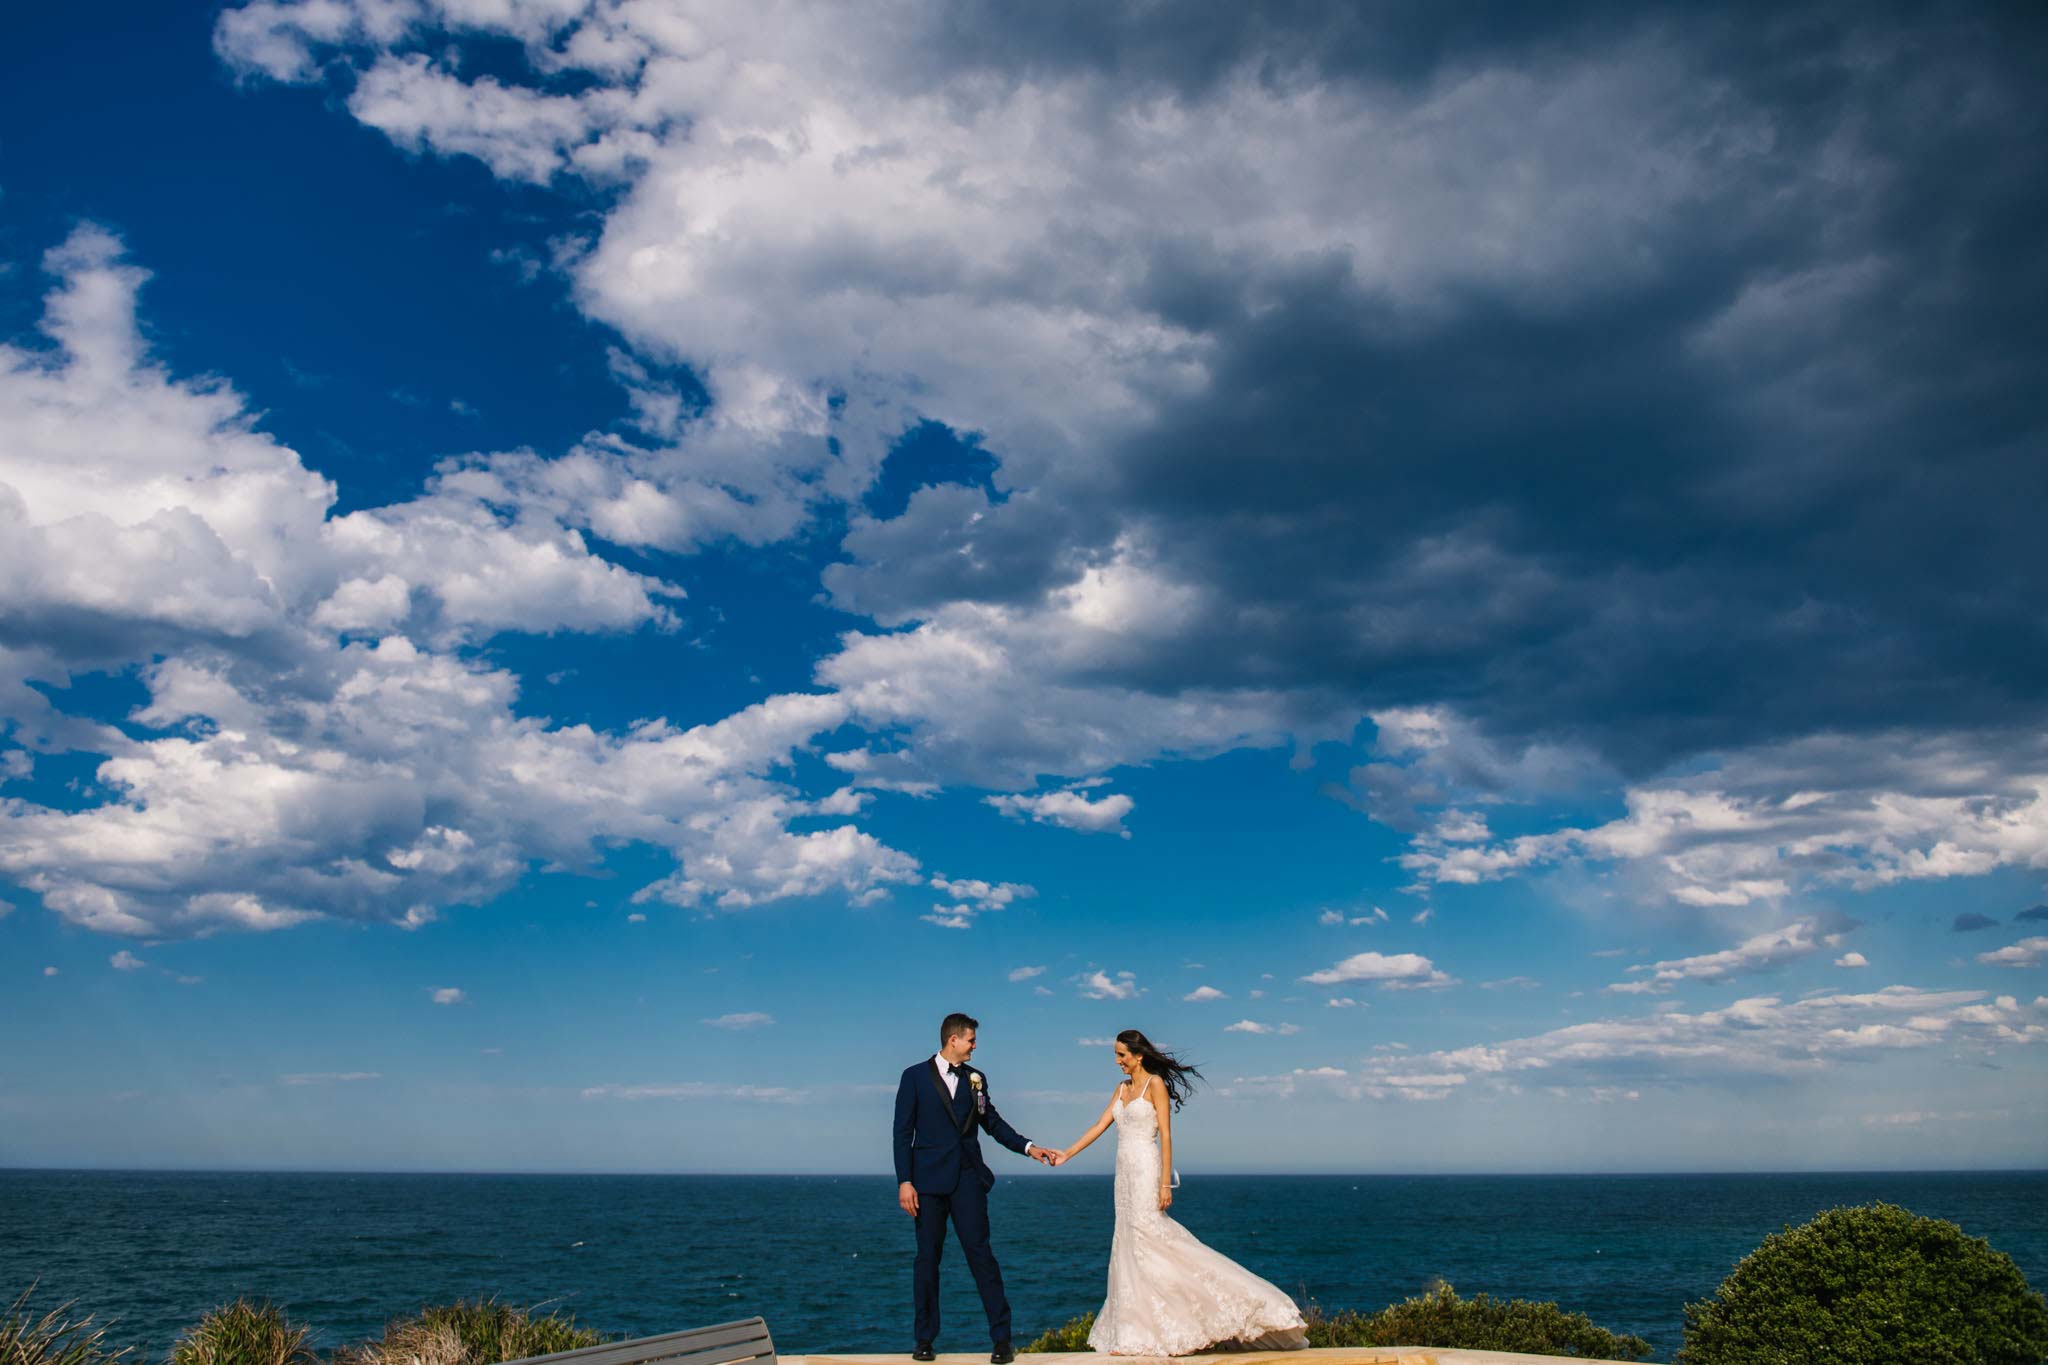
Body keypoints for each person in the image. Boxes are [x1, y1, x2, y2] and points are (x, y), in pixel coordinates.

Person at [1049, 1028, 1309, 1356]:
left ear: (1138, 1055)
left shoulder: (1155, 1084)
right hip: (1123, 1175)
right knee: (1129, 1242)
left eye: (1122, 1055)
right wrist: (1067, 1153)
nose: (1117, 1062)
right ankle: (1135, 1330)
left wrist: (1164, 1183)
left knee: (1152, 1236)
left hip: (1146, 1168)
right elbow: (1100, 1125)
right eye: (1116, 1056)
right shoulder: (1121, 1089)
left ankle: (1239, 1304)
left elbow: (1167, 1136)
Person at [893, 1012, 1058, 1364]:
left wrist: (1030, 1147)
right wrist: (905, 1181)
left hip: (968, 1180)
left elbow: (991, 1122)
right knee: (926, 1262)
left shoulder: (976, 1079)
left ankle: (1002, 1340)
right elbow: (902, 1133)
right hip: (927, 1184)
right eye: (971, 1040)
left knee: (982, 1258)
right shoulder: (914, 1077)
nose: (975, 1046)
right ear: (953, 1039)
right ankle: (924, 1340)